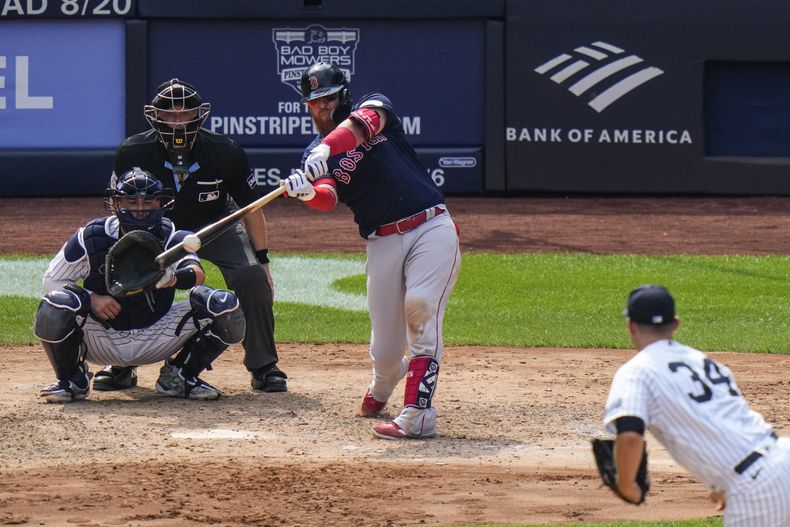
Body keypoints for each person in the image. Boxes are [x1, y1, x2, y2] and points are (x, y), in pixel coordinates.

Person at [280, 63, 461, 439]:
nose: (322, 107)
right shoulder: (314, 156)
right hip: (381, 242)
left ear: (342, 94)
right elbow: (329, 198)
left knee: (421, 308)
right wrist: (308, 192)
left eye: (328, 98)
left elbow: (363, 124)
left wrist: (327, 147)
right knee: (386, 349)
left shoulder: (374, 106)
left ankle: (418, 413)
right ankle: (383, 384)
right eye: (314, 102)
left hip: (430, 227)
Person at [110, 78, 287, 392]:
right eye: (170, 114)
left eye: (185, 113)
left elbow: (251, 209)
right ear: (155, 116)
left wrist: (263, 262)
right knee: (127, 274)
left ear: (199, 115)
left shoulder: (225, 151)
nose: (178, 121)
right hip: (157, 227)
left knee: (252, 279)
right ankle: (122, 363)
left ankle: (264, 366)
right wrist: (128, 249)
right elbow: (121, 206)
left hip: (215, 223)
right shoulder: (132, 151)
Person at [35, 168, 245, 402]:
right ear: (117, 203)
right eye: (131, 201)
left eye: (148, 200)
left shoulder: (172, 236)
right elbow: (51, 281)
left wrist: (173, 279)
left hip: (159, 333)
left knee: (223, 305)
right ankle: (72, 379)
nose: (140, 208)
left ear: (160, 203)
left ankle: (179, 376)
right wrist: (91, 298)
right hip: (102, 337)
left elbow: (197, 275)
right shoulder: (91, 237)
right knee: (56, 305)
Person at [603, 284, 790, 525]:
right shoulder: (703, 361)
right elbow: (727, 421)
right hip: (783, 456)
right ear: (676, 324)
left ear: (630, 326)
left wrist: (626, 485)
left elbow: (629, 435)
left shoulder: (636, 371)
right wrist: (722, 485)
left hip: (755, 487)